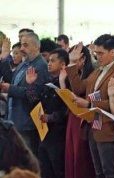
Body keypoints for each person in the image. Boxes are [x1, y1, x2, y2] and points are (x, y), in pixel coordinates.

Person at [66, 34, 114, 178]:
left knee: (110, 171)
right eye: (96, 53)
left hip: (108, 127)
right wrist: (72, 63)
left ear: (113, 52)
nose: (98, 57)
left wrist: (89, 103)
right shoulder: (98, 70)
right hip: (93, 125)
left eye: (101, 53)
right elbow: (79, 88)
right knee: (99, 172)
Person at [0, 32, 49, 156]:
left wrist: (10, 89)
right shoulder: (24, 63)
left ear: (37, 47)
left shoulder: (41, 65)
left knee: (27, 160)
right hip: (14, 119)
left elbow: (33, 95)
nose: (22, 49)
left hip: (27, 122)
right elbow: (12, 81)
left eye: (25, 45)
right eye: (21, 45)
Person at [25, 48, 70, 178]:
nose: (49, 63)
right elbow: (36, 104)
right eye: (48, 60)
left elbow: (67, 109)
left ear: (62, 64)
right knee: (45, 170)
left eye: (53, 61)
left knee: (58, 170)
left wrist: (51, 117)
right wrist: (31, 85)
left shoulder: (67, 84)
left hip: (58, 135)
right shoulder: (48, 83)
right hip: (44, 133)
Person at [65, 43, 95, 178]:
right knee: (71, 153)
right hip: (73, 115)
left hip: (83, 116)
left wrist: (71, 64)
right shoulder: (78, 73)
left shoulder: (92, 73)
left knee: (80, 156)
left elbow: (78, 90)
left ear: (83, 59)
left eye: (75, 59)